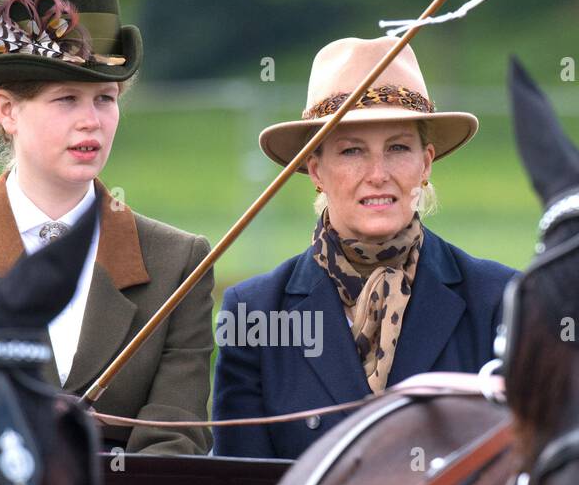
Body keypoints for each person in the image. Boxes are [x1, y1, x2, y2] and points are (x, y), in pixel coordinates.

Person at [0, 0, 213, 454]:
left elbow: (175, 436)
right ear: (7, 110)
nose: (92, 120)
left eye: (105, 99)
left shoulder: (178, 260)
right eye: (66, 99)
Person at [213, 37, 516, 459]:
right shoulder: (255, 311)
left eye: (397, 148)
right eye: (352, 150)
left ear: (425, 164)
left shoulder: (498, 300)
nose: (378, 174)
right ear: (315, 169)